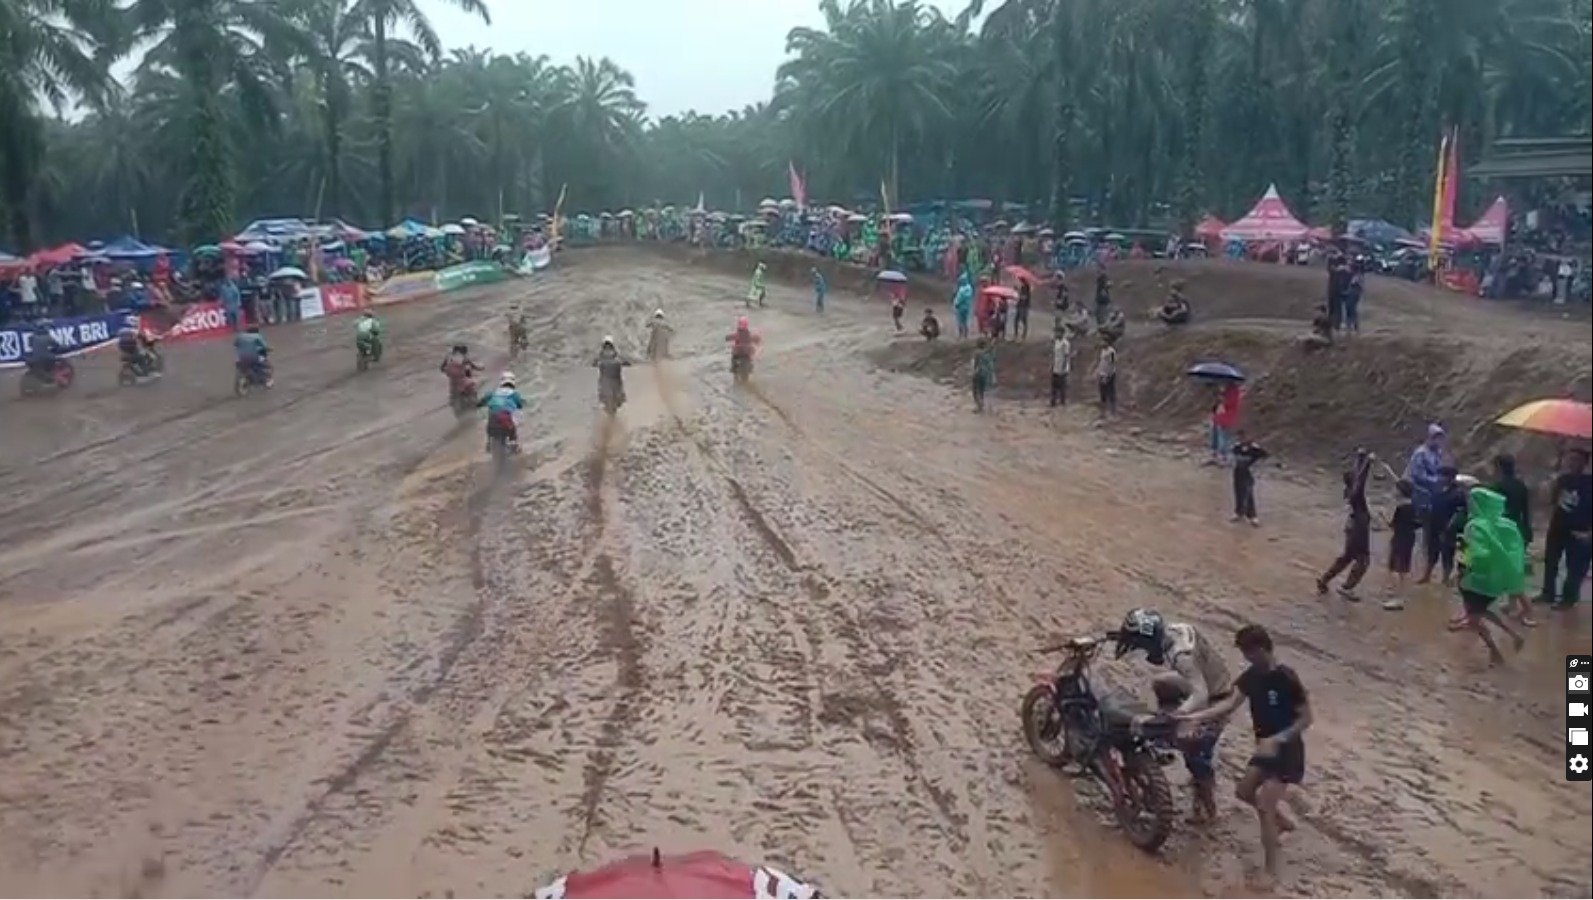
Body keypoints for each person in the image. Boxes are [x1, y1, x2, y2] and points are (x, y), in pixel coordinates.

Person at [1179, 624, 1311, 888]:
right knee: (1243, 792)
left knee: (1264, 805)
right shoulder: (1252, 677)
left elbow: (1307, 718)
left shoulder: (1287, 678)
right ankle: (1283, 823)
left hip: (1287, 751)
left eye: (1248, 653)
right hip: (1264, 748)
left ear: (1261, 650)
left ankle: (1271, 872)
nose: (1246, 659)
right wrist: (1193, 715)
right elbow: (1228, 705)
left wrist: (1278, 738)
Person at [1115, 608, 1233, 823]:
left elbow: (1201, 694)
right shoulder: (1175, 630)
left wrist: (1181, 716)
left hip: (1216, 698)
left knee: (1194, 750)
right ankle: (1170, 730)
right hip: (1209, 679)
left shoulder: (1181, 657)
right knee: (1162, 683)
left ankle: (1208, 808)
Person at [1456, 486, 1528, 665]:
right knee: (1481, 611)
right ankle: (1514, 635)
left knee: (1474, 618)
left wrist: (1463, 570)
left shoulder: (1474, 526)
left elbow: (1472, 553)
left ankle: (1495, 653)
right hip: (1494, 581)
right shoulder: (1500, 524)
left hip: (1475, 580)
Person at [1318, 448, 1374, 601]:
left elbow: (1358, 475)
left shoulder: (1349, 491)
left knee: (1347, 557)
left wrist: (1360, 457)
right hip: (1359, 529)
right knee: (1363, 560)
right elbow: (1361, 480)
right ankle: (1347, 588)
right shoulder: (1357, 494)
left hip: (1352, 526)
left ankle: (1324, 580)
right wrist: (1367, 463)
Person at [1540, 447, 1592, 609]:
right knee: (1550, 561)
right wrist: (1551, 485)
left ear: (1584, 463)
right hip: (1558, 525)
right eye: (1569, 459)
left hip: (1580, 529)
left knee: (1575, 567)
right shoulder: (1562, 479)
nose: (1571, 463)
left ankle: (1568, 598)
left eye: (1576, 460)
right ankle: (1548, 593)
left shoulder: (1589, 483)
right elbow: (1549, 502)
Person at [1490, 454, 1537, 626]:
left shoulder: (1497, 487)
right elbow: (1526, 511)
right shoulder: (1521, 485)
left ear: (1499, 467)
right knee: (1514, 568)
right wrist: (1528, 530)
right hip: (1520, 530)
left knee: (1509, 571)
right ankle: (1511, 605)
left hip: (1504, 532)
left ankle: (1528, 610)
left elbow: (1494, 512)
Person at [1417, 466, 1465, 586]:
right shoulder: (1437, 490)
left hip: (1448, 528)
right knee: (1431, 551)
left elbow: (1460, 512)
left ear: (1451, 478)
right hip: (1433, 525)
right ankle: (1427, 576)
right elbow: (1431, 505)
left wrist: (1450, 526)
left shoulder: (1458, 493)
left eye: (1443, 476)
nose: (1440, 478)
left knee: (1447, 554)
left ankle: (1445, 578)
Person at [1383, 480, 1420, 610]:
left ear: (1401, 492)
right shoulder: (1413, 506)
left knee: (1398, 569)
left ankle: (1399, 599)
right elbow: (1418, 523)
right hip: (1408, 538)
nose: (1393, 491)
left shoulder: (1401, 508)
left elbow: (1392, 524)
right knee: (1401, 568)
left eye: (1395, 489)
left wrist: (1382, 516)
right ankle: (1398, 594)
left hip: (1400, 538)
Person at [1405, 424, 1448, 520]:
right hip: (1421, 492)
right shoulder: (1421, 453)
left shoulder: (1437, 453)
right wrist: (1437, 481)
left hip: (1434, 490)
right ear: (1431, 438)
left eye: (1441, 439)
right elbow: (1418, 476)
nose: (1439, 442)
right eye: (1437, 439)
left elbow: (1439, 468)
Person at [477, 371, 524, 451]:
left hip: (492, 424)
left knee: (490, 418)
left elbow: (481, 402)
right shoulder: (514, 394)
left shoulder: (492, 393)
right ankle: (514, 444)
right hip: (505, 421)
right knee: (513, 429)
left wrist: (478, 405)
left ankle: (488, 444)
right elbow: (520, 405)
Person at [1231, 432, 1268, 526]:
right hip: (1238, 472)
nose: (1243, 439)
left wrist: (1257, 468)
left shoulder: (1256, 449)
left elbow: (1265, 457)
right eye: (1241, 437)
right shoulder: (1237, 447)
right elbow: (1232, 458)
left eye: (1245, 437)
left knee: (1248, 494)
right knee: (1238, 492)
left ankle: (1252, 516)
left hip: (1249, 474)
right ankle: (1239, 512)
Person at [1209, 383, 1242, 466]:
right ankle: (1215, 455)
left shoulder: (1234, 391)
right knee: (1215, 436)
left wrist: (1222, 398)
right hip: (1218, 417)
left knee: (1223, 438)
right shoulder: (1224, 391)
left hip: (1226, 418)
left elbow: (1230, 403)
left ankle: (1223, 457)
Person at [594, 336, 630, 405]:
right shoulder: (601, 356)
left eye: (609, 346)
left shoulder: (616, 355)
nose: (607, 348)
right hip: (606, 382)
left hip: (614, 380)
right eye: (606, 346)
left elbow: (624, 360)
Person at [1094, 338, 1118, 417]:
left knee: (1111, 392)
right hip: (1102, 374)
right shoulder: (1103, 351)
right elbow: (1101, 363)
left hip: (1109, 375)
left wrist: (1108, 376)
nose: (1101, 343)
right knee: (1102, 394)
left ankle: (1113, 411)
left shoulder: (1111, 352)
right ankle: (1103, 412)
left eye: (1103, 341)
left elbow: (1112, 364)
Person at [971, 337, 995, 413]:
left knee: (975, 390)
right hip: (986, 374)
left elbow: (974, 364)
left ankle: (979, 406)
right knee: (981, 390)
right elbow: (991, 364)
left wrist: (973, 372)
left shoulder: (976, 353)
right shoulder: (988, 353)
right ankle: (983, 405)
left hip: (978, 373)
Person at [1049, 329, 1072, 407]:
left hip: (1062, 367)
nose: (1056, 334)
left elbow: (1066, 356)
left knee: (1062, 385)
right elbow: (1054, 355)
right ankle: (1053, 401)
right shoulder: (1056, 342)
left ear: (1062, 333)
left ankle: (1063, 401)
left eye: (1058, 332)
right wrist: (1052, 364)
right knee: (1054, 385)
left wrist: (1064, 366)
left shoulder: (1065, 343)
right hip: (1056, 365)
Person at [952, 273, 973, 339]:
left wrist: (957, 303)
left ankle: (964, 335)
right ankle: (962, 335)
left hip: (963, 306)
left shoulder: (966, 288)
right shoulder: (964, 288)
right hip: (963, 306)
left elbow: (961, 297)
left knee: (962, 321)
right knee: (961, 321)